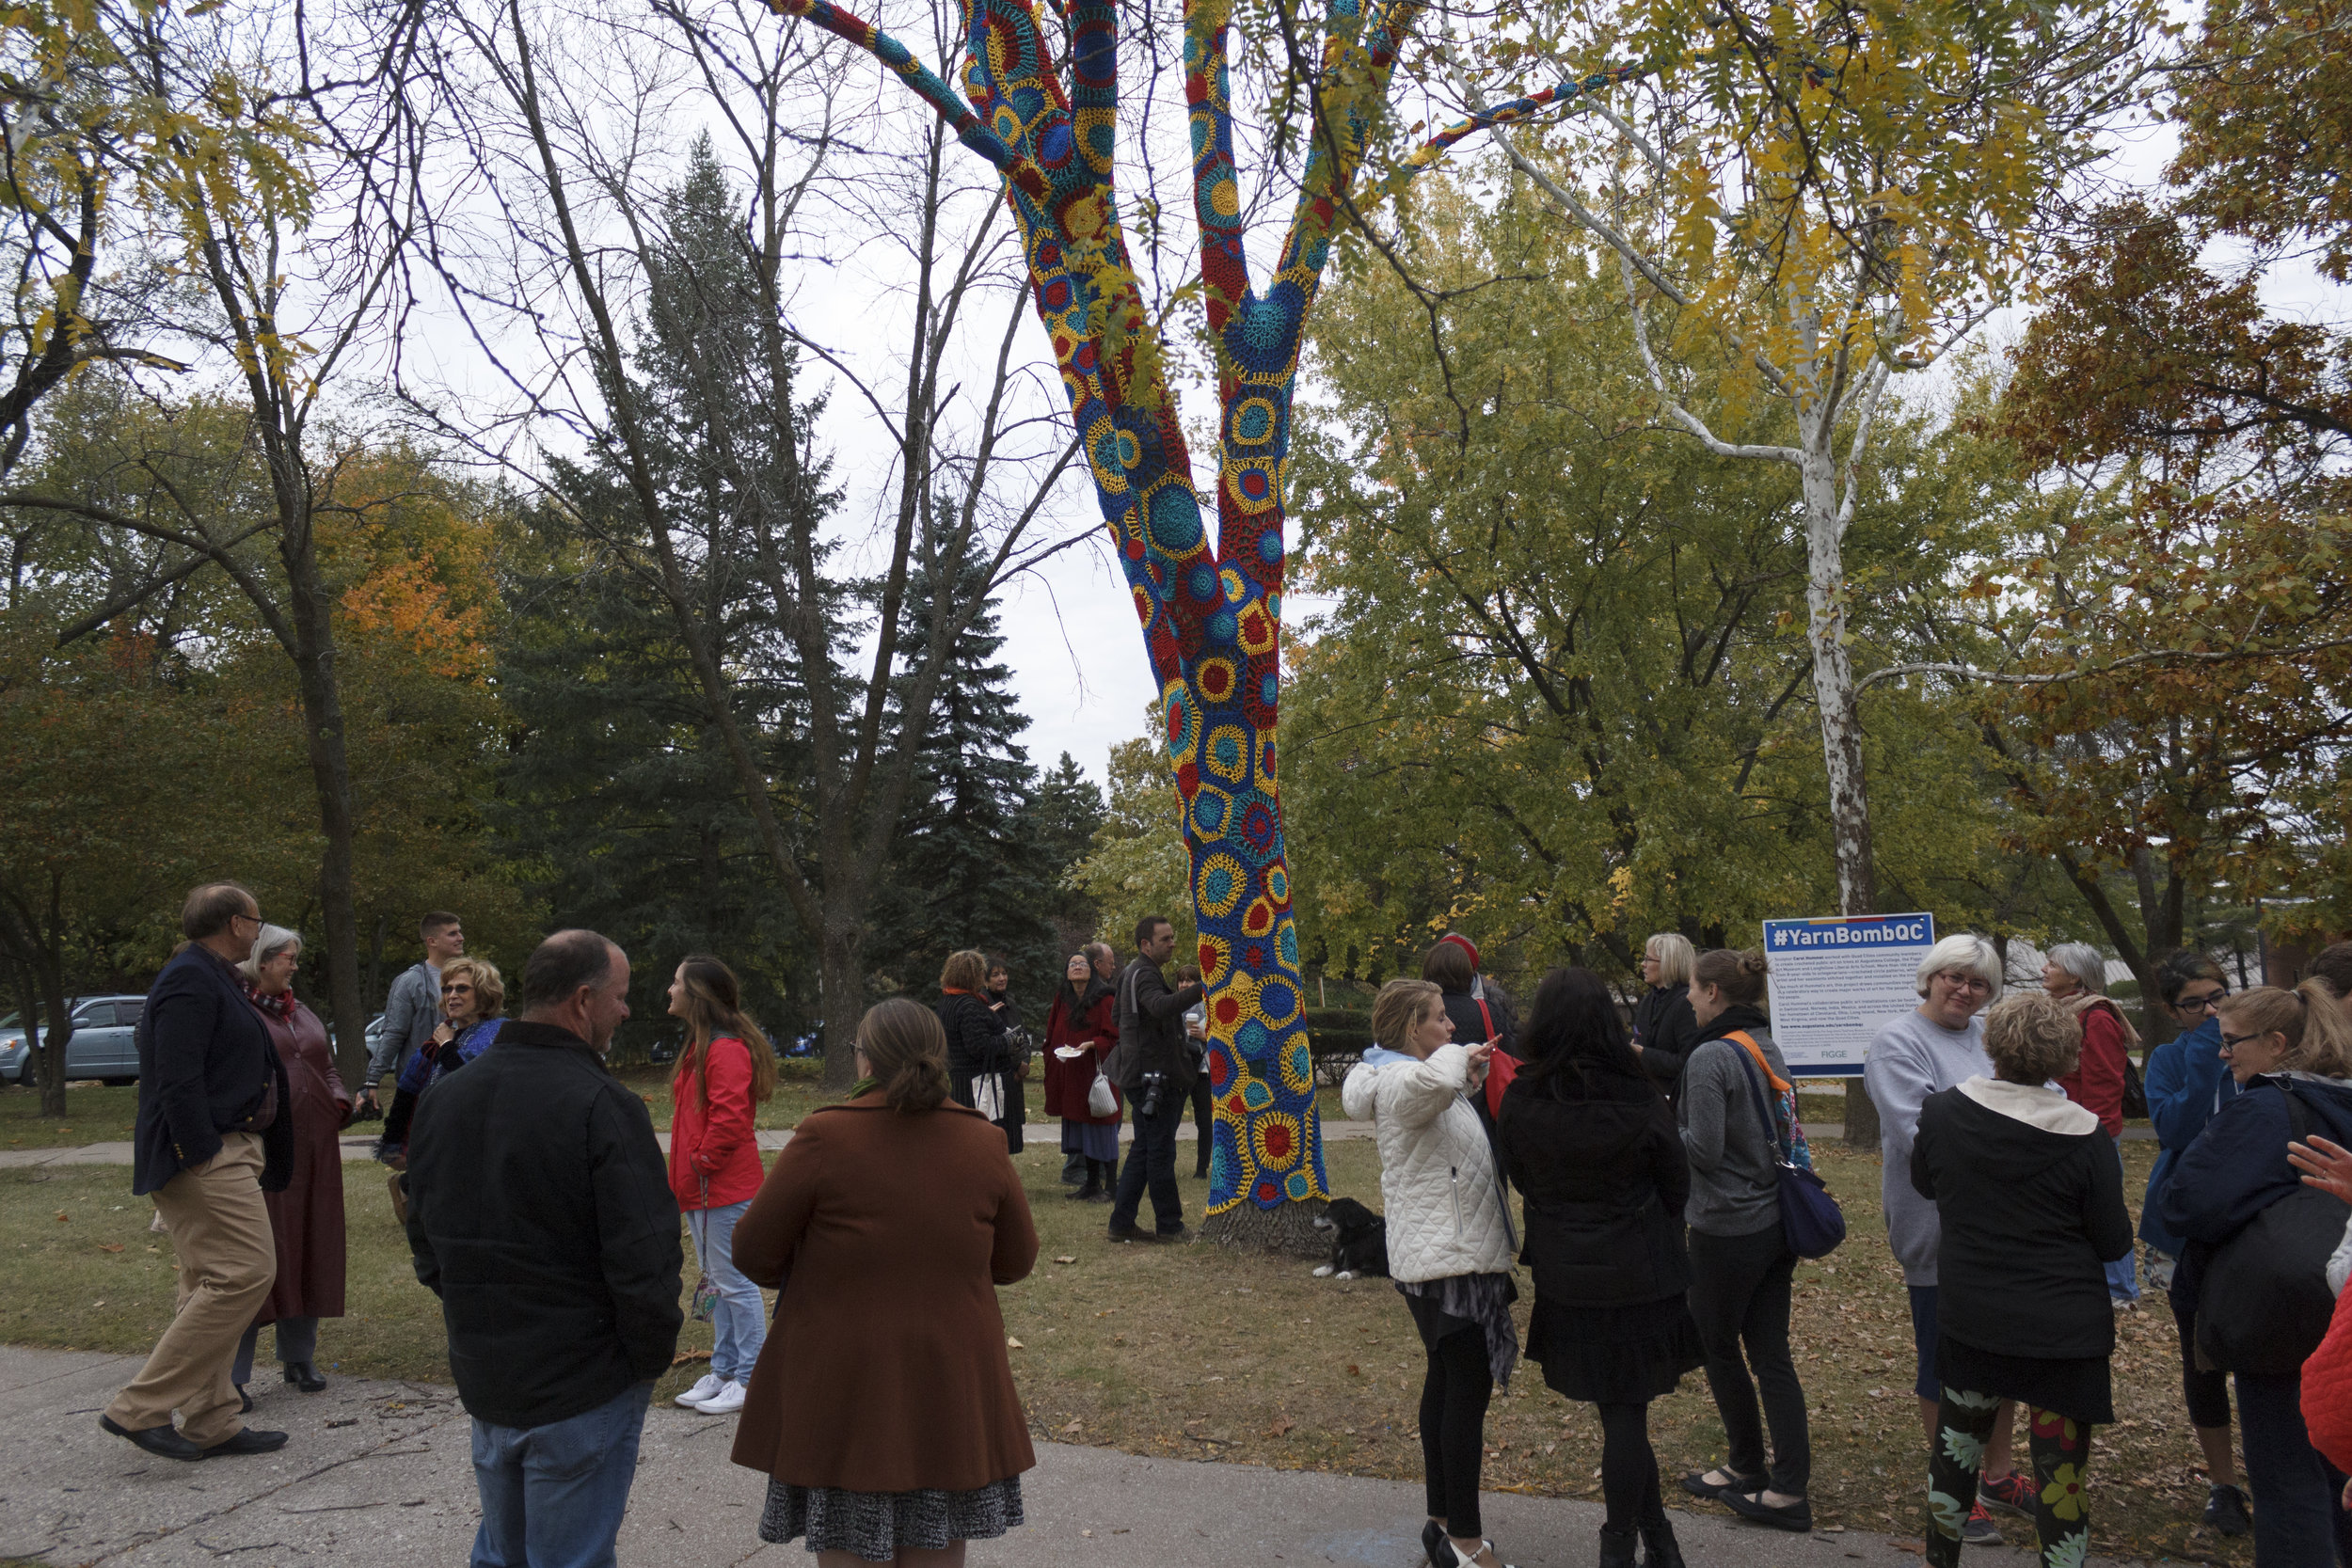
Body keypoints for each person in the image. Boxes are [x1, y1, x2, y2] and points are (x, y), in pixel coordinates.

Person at [404, 928, 683, 1568]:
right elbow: (646, 1255)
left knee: (504, 1553)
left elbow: (424, 1234)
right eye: (621, 995)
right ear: (584, 1000)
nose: (627, 1009)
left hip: (490, 1371)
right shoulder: (601, 1104)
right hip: (580, 1383)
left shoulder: (446, 1096)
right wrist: (644, 1357)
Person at [730, 997, 1037, 1564]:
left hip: (845, 1381)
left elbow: (752, 1251)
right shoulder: (982, 1141)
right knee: (936, 1537)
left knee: (850, 1538)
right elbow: (1016, 1261)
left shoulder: (826, 1134)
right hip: (948, 1377)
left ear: (865, 1060)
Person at [1909, 990, 2133, 1568]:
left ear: (1990, 1044)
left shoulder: (1941, 1112)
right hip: (2064, 1329)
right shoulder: (2085, 1133)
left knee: (1956, 1453)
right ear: (2066, 1056)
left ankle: (1940, 1560)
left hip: (1974, 1315)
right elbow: (2113, 1242)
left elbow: (1927, 1184)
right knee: (2062, 1476)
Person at [1497, 967, 1702, 1568]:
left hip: (1568, 1270)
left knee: (1622, 1411)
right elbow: (1676, 1181)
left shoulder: (1523, 1096)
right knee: (1625, 1411)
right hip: (1639, 1270)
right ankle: (1629, 1544)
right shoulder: (1637, 1093)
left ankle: (1652, 1538)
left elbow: (1521, 1177)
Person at [2159, 981, 2352, 1568]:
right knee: (2340, 1474)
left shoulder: (2267, 1108)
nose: (2224, 1054)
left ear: (2275, 1043)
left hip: (2281, 1321)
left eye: (2231, 1042)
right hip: (2342, 1313)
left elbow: (2188, 1201)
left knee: (2289, 1480)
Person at [103, 883, 294, 1462]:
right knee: (246, 1273)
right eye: (256, 921)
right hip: (206, 1155)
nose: (260, 932)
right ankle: (138, 1407)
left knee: (206, 1281)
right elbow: (175, 1076)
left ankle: (212, 1420)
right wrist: (201, 1151)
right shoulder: (190, 978)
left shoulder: (211, 976)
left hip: (225, 1147)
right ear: (236, 923)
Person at [1343, 978, 1519, 1568]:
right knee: (1462, 1394)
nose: (1452, 1028)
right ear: (1411, 1027)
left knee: (1447, 1384)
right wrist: (1458, 1058)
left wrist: (1461, 1069)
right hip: (1449, 1260)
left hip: (1449, 1253)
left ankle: (1442, 1524)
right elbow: (1432, 1081)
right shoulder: (1400, 1079)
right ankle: (1467, 1543)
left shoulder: (1405, 1079)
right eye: (1441, 1020)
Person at [1863, 932, 2016, 1541]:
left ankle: (1999, 1474)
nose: (1964, 989)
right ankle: (1953, 1482)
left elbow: (2044, 1094)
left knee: (2001, 1357)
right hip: (1937, 1227)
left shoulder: (1988, 1038)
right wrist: (2016, 1143)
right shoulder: (1897, 1042)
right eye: (1954, 976)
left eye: (1978, 982)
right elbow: (1921, 1132)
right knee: (1946, 1362)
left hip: (2005, 1226)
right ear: (1929, 977)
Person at [1677, 949, 1812, 1531]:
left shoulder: (1711, 1055)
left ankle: (1750, 1467)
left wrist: (1661, 1126)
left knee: (1715, 1342)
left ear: (1712, 993)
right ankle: (1785, 1484)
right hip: (1774, 1221)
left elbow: (1703, 1150)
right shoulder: (1765, 1043)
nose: (1686, 997)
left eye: (1691, 988)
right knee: (1770, 1353)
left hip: (1727, 1224)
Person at [2137, 950, 2250, 1535]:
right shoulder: (2169, 1059)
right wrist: (2209, 1049)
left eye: (2219, 996)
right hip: (2191, 1226)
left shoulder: (2263, 1046)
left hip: (2258, 1224)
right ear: (2171, 1010)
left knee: (2269, 1348)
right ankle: (2224, 1484)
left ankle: (2287, 1465)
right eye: (2195, 1003)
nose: (2211, 1010)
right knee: (2202, 1355)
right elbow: (2175, 1129)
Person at [232, 923, 348, 1403]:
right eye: (288, 957)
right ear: (262, 960)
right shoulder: (238, 1013)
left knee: (311, 1246)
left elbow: (325, 1066)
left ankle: (299, 1356)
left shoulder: (303, 1014)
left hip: (317, 1150)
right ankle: (231, 1374)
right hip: (266, 1155)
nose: (294, 966)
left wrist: (340, 1099)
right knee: (254, 1258)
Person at [665, 955, 777, 1418]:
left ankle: (750, 1377)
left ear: (698, 994)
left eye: (676, 983)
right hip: (703, 1188)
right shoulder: (702, 1044)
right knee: (718, 1281)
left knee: (736, 1283)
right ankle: (727, 1367)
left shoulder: (724, 1048)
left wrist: (702, 1161)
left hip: (723, 1187)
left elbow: (730, 1118)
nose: (669, 991)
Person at [2041, 942, 2140, 1307]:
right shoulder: (2064, 1012)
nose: (2044, 969)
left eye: (2053, 964)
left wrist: (2095, 1135)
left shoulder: (2096, 1017)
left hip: (2091, 1133)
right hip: (2064, 1128)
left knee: (2105, 1209)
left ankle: (2120, 1291)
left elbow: (2105, 1083)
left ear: (2076, 975)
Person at [1106, 914, 1206, 1244]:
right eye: (1165, 939)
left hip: (1141, 1075)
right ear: (1145, 944)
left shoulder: (1130, 973)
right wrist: (1203, 989)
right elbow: (1161, 1007)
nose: (1172, 943)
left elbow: (1118, 1017)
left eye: (1172, 937)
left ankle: (1122, 1223)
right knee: (1160, 1152)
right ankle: (1170, 1226)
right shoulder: (1145, 974)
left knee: (1145, 1149)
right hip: (1154, 1080)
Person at [377, 956, 507, 1168]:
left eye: (462, 989)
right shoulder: (434, 1043)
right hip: (438, 1149)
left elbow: (469, 1081)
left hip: (482, 1150)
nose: (452, 996)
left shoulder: (498, 1033)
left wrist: (447, 1044)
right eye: (447, 989)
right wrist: (392, 1147)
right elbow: (406, 1092)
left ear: (483, 994)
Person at [361, 910, 464, 1115]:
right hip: (422, 1084)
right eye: (452, 933)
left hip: (463, 1079)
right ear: (432, 941)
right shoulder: (410, 982)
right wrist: (372, 1081)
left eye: (459, 932)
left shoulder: (472, 977)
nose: (461, 938)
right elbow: (393, 1033)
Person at [1042, 951, 1120, 1201]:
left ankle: (1110, 1187)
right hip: (1072, 1074)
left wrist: (1092, 1044)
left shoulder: (1105, 998)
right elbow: (1052, 1031)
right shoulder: (1062, 998)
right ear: (1066, 972)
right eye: (1072, 963)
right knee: (1084, 1128)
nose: (1077, 967)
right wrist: (1053, 1053)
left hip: (1097, 1074)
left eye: (1082, 964)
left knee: (1102, 1125)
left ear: (1092, 970)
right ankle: (1091, 1185)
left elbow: (1115, 1036)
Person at [939, 949, 1022, 1154]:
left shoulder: (948, 1001)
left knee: (967, 1141)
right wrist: (1008, 1040)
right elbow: (979, 1047)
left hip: (962, 1081)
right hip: (979, 1085)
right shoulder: (968, 1005)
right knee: (985, 1142)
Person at [1423, 932, 1518, 1060]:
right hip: (1483, 1078)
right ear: (1468, 972)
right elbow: (1511, 1053)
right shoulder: (1491, 1011)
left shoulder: (1416, 1011)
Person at [1631, 933, 1701, 1102]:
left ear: (1669, 963)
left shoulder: (1687, 1003)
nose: (1642, 964)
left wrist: (1643, 1054)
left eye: (1648, 959)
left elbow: (1690, 1062)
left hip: (1678, 1102)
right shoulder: (1649, 1000)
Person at [1176, 960, 1213, 1180]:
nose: (1184, 984)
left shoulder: (1208, 1005)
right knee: (1173, 1117)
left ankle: (1201, 1168)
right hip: (1180, 1068)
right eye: (1181, 980)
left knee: (1204, 1120)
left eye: (1189, 980)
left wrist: (1203, 1035)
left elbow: (1220, 1037)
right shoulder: (1174, 1005)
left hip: (1202, 1070)